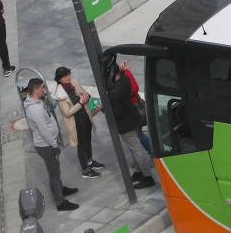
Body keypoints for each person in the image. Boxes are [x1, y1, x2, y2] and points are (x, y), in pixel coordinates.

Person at [23, 78, 80, 211]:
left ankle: (60, 189)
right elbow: (43, 130)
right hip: (46, 146)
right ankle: (60, 202)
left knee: (56, 169)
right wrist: (54, 144)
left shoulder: (35, 103)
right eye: (42, 88)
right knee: (53, 173)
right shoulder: (35, 110)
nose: (44, 90)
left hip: (47, 144)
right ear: (36, 90)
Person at [107, 61, 156, 189]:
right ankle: (139, 172)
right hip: (134, 117)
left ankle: (147, 177)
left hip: (125, 123)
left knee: (136, 150)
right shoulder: (124, 80)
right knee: (135, 147)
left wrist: (104, 108)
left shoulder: (113, 93)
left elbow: (116, 112)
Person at [53, 66, 103, 178]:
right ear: (59, 79)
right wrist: (80, 103)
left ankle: (90, 161)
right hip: (75, 122)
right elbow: (67, 112)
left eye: (68, 74)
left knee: (88, 139)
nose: (68, 77)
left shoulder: (74, 83)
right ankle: (85, 170)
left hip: (85, 116)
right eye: (65, 76)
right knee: (81, 145)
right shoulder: (60, 94)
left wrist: (86, 96)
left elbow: (83, 92)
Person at [119, 58, 151, 154]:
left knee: (138, 134)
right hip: (124, 110)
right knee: (137, 135)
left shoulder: (125, 73)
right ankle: (143, 157)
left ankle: (152, 152)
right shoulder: (112, 77)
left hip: (133, 108)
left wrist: (121, 92)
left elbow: (135, 88)